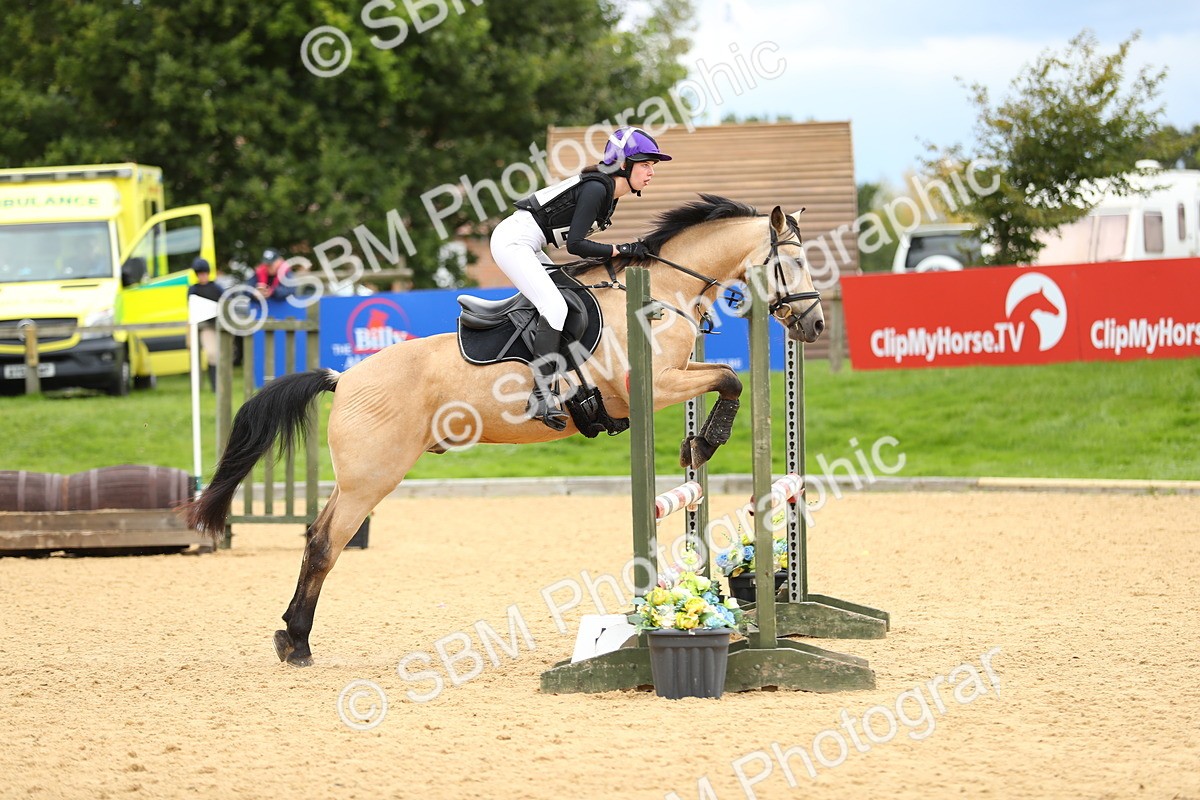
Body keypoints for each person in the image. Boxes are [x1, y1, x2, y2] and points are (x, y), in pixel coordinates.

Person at [492, 125, 671, 430]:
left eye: (652, 165)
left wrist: (621, 251)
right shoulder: (597, 188)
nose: (651, 172)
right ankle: (539, 396)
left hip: (530, 243)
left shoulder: (609, 192)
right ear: (623, 164)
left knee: (576, 302)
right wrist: (621, 249)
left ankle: (578, 388)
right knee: (555, 306)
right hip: (514, 241)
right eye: (645, 164)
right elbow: (575, 245)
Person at [187, 258, 227, 390]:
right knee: (194, 356)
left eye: (204, 273)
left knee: (212, 353)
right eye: (199, 274)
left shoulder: (216, 288)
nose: (202, 276)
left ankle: (215, 385)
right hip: (196, 325)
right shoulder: (193, 289)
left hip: (209, 326)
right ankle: (196, 385)